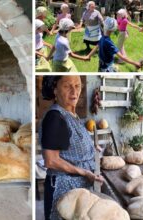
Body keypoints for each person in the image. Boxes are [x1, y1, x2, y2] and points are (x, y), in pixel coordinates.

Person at [39, 76, 104, 220]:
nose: (74, 91)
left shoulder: (71, 114)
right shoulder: (55, 118)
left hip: (78, 188)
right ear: (55, 89)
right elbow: (51, 161)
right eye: (67, 86)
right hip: (64, 188)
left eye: (78, 86)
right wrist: (85, 172)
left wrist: (91, 146)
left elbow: (70, 141)